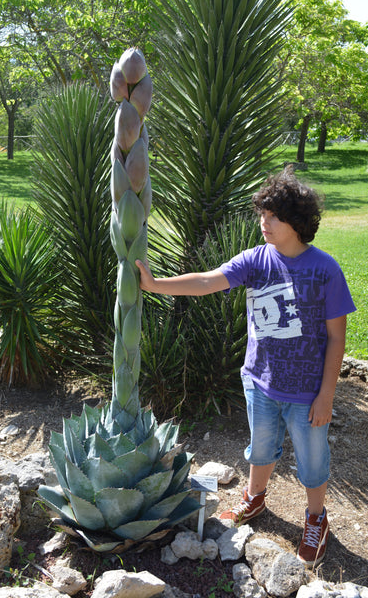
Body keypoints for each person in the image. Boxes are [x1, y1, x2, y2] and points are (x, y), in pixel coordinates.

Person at [135, 168, 356, 567]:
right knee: (260, 448)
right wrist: (156, 285)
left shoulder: (325, 270)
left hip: (308, 393)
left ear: (297, 223)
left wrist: (327, 395)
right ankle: (254, 500)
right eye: (262, 214)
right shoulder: (255, 260)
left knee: (312, 461)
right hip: (260, 382)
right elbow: (206, 281)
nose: (264, 222)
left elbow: (337, 339)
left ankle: (315, 517)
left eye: (273, 216)